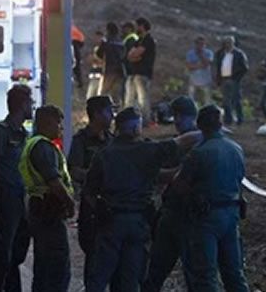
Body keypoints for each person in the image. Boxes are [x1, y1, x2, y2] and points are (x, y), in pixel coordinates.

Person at [83, 107, 200, 291]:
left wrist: (99, 210)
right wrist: (208, 132)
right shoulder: (148, 150)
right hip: (138, 222)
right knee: (131, 275)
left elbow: (89, 191)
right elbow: (182, 142)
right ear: (136, 128)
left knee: (99, 275)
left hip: (110, 221)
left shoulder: (104, 155)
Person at [175, 104, 250, 292]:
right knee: (234, 273)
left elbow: (180, 185)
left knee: (206, 275)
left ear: (200, 125)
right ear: (220, 124)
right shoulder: (236, 149)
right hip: (232, 215)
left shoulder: (199, 152)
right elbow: (240, 179)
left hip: (205, 218)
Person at [143, 96, 202, 292]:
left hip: (188, 216)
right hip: (172, 213)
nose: (176, 120)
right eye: (175, 115)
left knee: (192, 273)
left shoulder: (199, 143)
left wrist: (150, 172)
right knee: (156, 271)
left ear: (191, 117)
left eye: (180, 116)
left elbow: (177, 178)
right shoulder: (184, 142)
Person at [19, 105, 75, 292]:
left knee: (43, 266)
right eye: (59, 123)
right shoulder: (43, 147)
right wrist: (70, 202)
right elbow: (54, 182)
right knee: (57, 268)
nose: (61, 128)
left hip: (39, 209)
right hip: (48, 211)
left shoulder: (32, 143)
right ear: (48, 122)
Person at [0, 85, 34, 292]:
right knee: (1, 255)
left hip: (22, 200)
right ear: (22, 105)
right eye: (30, 102)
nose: (32, 106)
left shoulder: (25, 134)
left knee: (17, 255)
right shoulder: (1, 132)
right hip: (5, 201)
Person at [69, 96, 115, 283]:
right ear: (96, 114)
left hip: (113, 206)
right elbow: (74, 171)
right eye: (108, 111)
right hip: (92, 207)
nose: (112, 115)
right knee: (94, 258)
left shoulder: (112, 140)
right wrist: (98, 176)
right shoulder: (81, 141)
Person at [125, 17, 156, 126]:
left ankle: (145, 121)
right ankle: (128, 119)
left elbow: (137, 53)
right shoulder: (139, 40)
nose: (136, 28)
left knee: (143, 98)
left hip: (143, 73)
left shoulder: (148, 40)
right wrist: (134, 57)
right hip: (133, 73)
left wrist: (135, 56)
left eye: (138, 25)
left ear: (142, 26)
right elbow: (129, 55)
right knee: (130, 98)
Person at [215, 36, 248, 126]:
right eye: (226, 42)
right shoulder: (221, 53)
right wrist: (218, 79)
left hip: (234, 80)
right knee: (226, 101)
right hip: (224, 79)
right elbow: (218, 67)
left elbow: (244, 68)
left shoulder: (239, 54)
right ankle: (228, 119)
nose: (228, 44)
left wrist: (236, 77)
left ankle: (240, 118)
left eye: (230, 42)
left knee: (236, 100)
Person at [97, 22, 125, 105]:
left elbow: (99, 54)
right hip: (120, 70)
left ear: (108, 30)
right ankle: (116, 111)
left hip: (109, 70)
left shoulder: (106, 41)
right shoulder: (121, 41)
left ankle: (100, 110)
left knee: (103, 92)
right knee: (116, 93)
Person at [186, 35, 215, 106]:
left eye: (202, 44)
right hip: (193, 79)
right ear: (195, 44)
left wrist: (201, 55)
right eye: (198, 44)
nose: (200, 46)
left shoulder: (209, 53)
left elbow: (208, 63)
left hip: (206, 80)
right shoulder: (190, 53)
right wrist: (200, 65)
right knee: (191, 99)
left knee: (207, 100)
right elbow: (189, 66)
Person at [86, 30, 105, 100]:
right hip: (94, 74)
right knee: (90, 96)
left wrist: (97, 60)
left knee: (98, 96)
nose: (96, 39)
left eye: (98, 38)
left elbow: (105, 62)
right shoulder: (95, 48)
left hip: (101, 75)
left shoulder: (105, 48)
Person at [72, 25, 86, 89]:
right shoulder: (72, 27)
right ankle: (79, 81)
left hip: (74, 42)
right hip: (76, 42)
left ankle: (79, 81)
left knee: (76, 63)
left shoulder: (70, 27)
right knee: (76, 63)